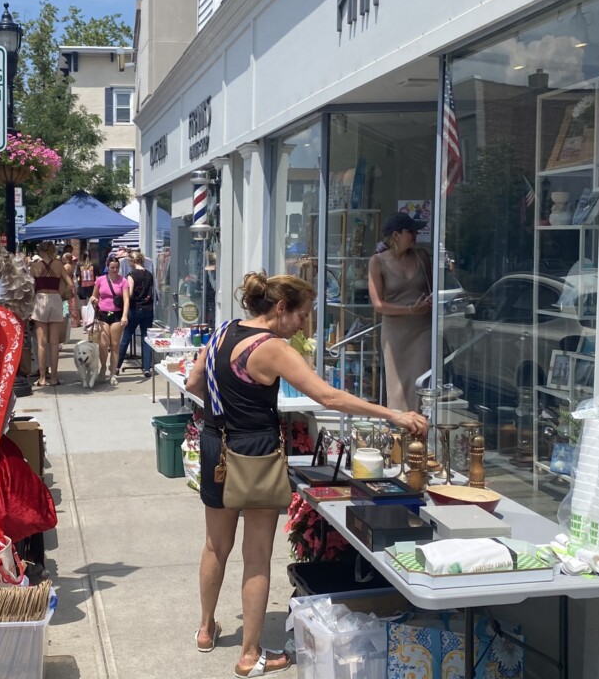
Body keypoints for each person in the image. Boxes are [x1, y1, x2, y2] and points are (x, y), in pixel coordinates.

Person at [185, 272, 428, 678]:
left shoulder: (224, 331)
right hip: (256, 452)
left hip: (215, 446)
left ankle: (207, 629)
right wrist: (393, 414)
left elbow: (195, 382)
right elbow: (328, 396)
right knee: (257, 557)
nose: (303, 325)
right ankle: (249, 655)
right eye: (302, 315)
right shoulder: (272, 348)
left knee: (215, 545)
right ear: (280, 308)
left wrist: (229, 409)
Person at [368, 212, 433, 413]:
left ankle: (423, 423)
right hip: (396, 331)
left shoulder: (421, 256)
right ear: (396, 235)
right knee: (397, 385)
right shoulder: (377, 262)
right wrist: (411, 309)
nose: (416, 235)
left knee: (422, 378)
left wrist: (428, 304)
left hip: (423, 327)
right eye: (411, 231)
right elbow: (378, 304)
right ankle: (402, 430)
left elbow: (432, 289)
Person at [29, 240, 73, 386]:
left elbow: (30, 287)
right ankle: (54, 378)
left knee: (41, 343)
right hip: (55, 299)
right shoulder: (59, 265)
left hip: (40, 299)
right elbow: (70, 285)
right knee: (54, 344)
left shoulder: (34, 266)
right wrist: (64, 295)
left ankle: (42, 378)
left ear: (40, 251)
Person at [90, 255, 129, 386]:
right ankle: (103, 368)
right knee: (103, 344)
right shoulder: (100, 280)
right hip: (103, 313)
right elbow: (94, 295)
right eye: (112, 267)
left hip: (117, 314)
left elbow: (126, 300)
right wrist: (93, 299)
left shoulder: (123, 281)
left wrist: (124, 315)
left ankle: (113, 373)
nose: (114, 270)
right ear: (107, 266)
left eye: (116, 267)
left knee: (115, 345)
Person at [116, 249, 155, 378]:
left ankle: (117, 365)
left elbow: (130, 293)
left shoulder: (131, 275)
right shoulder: (149, 274)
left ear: (132, 261)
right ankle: (147, 368)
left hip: (135, 309)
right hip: (148, 309)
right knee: (146, 338)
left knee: (126, 337)